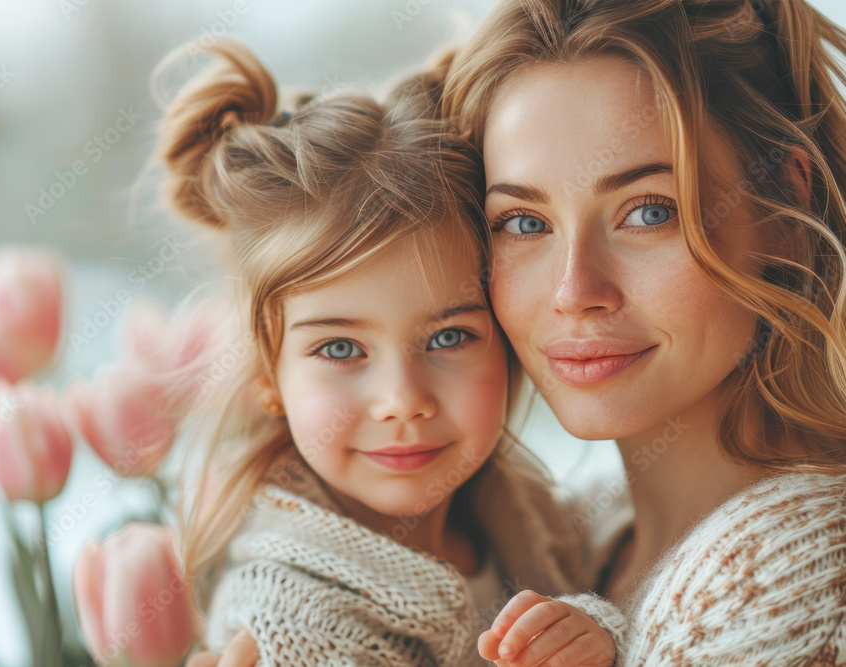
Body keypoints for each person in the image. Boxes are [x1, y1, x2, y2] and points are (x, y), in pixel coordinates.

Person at [196, 0, 846, 665]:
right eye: (524, 222)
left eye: (648, 211)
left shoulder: (789, 580)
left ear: (784, 211)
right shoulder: (576, 535)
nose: (574, 292)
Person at [156, 39, 618, 666]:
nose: (403, 401)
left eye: (449, 337)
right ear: (270, 371)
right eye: (341, 347)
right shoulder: (289, 628)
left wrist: (601, 634)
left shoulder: (529, 520)